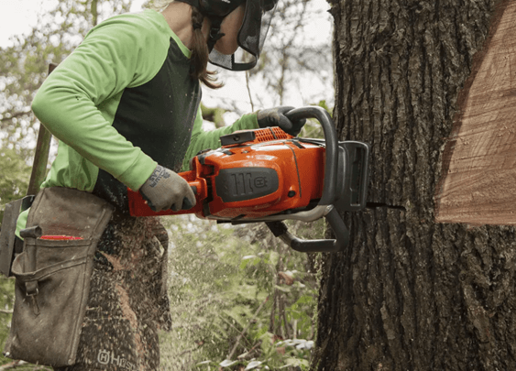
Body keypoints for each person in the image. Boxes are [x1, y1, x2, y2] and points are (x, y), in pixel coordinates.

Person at [12, 0, 306, 369]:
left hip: (129, 242)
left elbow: (183, 159)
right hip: (80, 234)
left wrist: (253, 127)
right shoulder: (136, 35)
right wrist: (144, 173)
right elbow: (55, 97)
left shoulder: (185, 71)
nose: (253, 24)